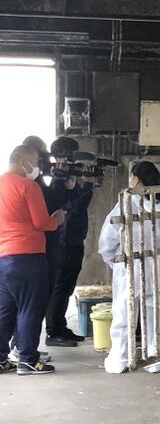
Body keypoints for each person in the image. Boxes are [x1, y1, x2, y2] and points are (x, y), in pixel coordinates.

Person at [98, 161, 160, 374]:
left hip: (129, 263)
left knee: (124, 312)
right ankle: (154, 358)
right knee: (155, 312)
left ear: (136, 179)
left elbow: (108, 237)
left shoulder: (127, 201)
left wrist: (111, 259)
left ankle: (120, 358)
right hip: (156, 263)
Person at [0, 145, 65, 375]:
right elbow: (42, 222)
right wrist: (57, 218)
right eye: (36, 162)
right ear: (23, 161)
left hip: (4, 257)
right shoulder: (28, 186)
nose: (37, 167)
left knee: (6, 309)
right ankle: (28, 359)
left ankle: (1, 358)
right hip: (28, 256)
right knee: (30, 308)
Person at [21, 135, 76, 347]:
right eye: (41, 157)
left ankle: (26, 349)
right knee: (33, 301)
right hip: (33, 247)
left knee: (39, 297)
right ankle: (24, 349)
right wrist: (58, 181)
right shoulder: (28, 183)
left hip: (39, 245)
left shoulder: (31, 181)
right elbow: (46, 213)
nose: (44, 162)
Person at [45, 136, 93, 344]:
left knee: (66, 287)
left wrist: (81, 185)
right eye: (70, 156)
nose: (73, 161)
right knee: (60, 286)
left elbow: (79, 204)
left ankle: (60, 327)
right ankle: (53, 331)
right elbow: (74, 207)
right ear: (60, 157)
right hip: (63, 241)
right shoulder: (57, 183)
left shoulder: (69, 181)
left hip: (74, 240)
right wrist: (86, 185)